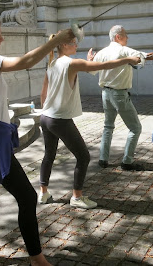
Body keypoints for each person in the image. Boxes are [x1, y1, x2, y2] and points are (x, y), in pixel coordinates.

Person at [0, 17, 75, 266]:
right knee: (27, 197)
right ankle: (38, 260)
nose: (2, 38)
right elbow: (26, 62)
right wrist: (56, 42)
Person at [38, 35, 140, 209]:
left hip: (46, 118)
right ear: (64, 45)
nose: (76, 45)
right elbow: (103, 66)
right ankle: (77, 197)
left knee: (49, 155)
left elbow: (43, 93)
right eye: (73, 43)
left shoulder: (53, 63)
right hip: (59, 119)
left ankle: (43, 193)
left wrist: (46, 111)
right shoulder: (71, 63)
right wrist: (128, 59)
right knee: (83, 156)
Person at [87, 25, 153, 171]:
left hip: (105, 94)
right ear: (118, 37)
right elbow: (147, 56)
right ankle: (127, 161)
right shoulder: (123, 50)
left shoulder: (102, 53)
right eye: (125, 35)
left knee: (108, 126)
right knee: (135, 128)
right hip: (119, 94)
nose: (127, 37)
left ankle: (103, 159)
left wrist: (90, 60)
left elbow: (90, 70)